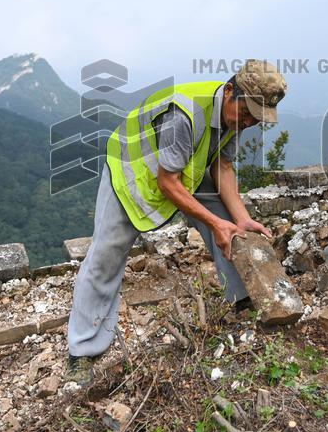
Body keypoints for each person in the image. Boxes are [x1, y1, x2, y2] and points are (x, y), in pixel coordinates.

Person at [66, 59, 288, 385]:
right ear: (230, 91)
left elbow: (223, 169)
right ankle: (82, 350)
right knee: (105, 257)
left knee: (231, 225)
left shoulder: (234, 118)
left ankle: (244, 299)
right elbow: (168, 183)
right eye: (247, 112)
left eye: (257, 117)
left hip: (187, 168)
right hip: (132, 175)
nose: (250, 121)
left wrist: (242, 220)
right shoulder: (184, 116)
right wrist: (216, 223)